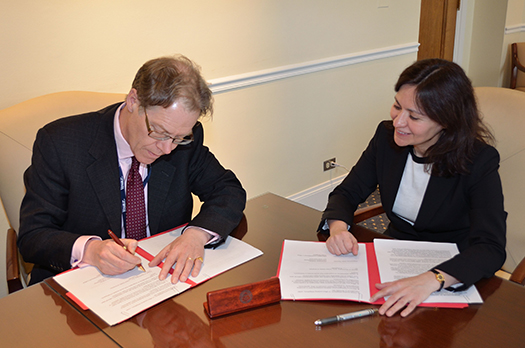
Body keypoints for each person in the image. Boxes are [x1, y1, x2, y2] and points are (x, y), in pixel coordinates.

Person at [18, 55, 246, 285]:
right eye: (159, 131)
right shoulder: (61, 143)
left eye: (178, 138)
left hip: (159, 281)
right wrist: (91, 250)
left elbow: (227, 190)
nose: (167, 149)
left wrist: (196, 235)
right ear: (133, 100)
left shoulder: (185, 140)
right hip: (83, 287)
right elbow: (33, 236)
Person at [319, 58, 506, 317]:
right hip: (394, 255)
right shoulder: (386, 138)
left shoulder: (479, 160)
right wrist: (338, 229)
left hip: (452, 271)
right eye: (397, 106)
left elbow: (491, 247)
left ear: (447, 122)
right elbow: (347, 192)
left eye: (414, 116)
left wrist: (432, 280)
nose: (398, 122)